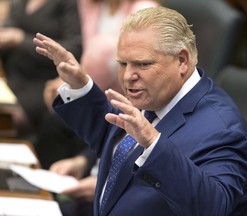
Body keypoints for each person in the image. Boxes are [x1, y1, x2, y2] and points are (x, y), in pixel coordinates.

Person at [33, 6, 247, 216]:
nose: (128, 76)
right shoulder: (159, 96)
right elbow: (114, 139)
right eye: (122, 63)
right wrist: (80, 85)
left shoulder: (221, 129)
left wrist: (153, 142)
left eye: (143, 64)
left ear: (182, 61)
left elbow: (214, 208)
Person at [36, 0, 161, 170]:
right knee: (53, 113)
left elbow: (109, 64)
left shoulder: (144, 10)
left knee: (56, 123)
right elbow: (86, 54)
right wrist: (69, 78)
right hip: (96, 91)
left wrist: (78, 81)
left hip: (124, 102)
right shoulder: (90, 6)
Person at [0, 0, 82, 137]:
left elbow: (73, 50)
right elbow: (9, 29)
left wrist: (20, 39)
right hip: (11, 81)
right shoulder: (21, 2)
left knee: (4, 121)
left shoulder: (68, 4)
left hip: (42, 84)